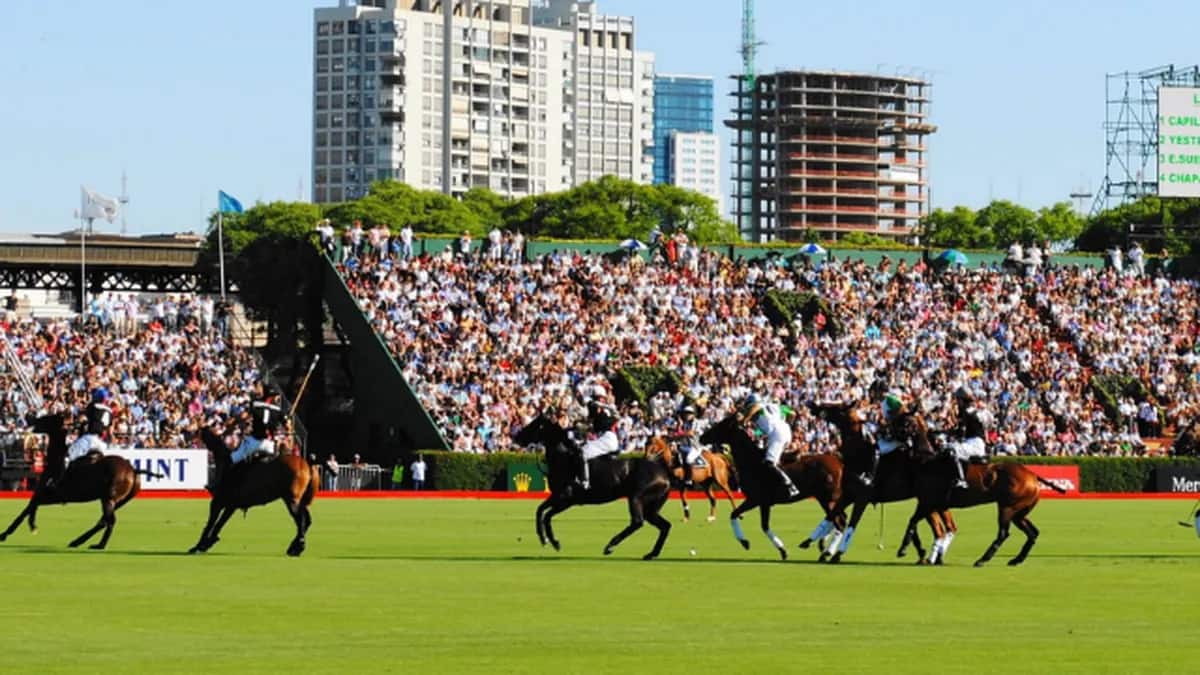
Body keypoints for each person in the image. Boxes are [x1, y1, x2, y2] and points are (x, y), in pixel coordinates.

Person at [738, 393, 799, 498]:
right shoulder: (776, 406)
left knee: (769, 463)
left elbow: (756, 407)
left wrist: (744, 420)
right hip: (784, 430)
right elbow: (793, 413)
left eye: (748, 407)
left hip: (777, 434)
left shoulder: (759, 406)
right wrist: (788, 424)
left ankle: (790, 486)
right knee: (769, 459)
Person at [945, 386, 991, 489]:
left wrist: (949, 433)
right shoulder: (973, 411)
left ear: (962, 400)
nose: (957, 402)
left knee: (951, 450)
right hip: (974, 442)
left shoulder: (967, 412)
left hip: (974, 443)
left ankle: (961, 480)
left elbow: (961, 432)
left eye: (958, 400)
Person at [861, 391, 908, 487]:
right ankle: (873, 475)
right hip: (887, 439)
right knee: (875, 451)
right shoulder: (880, 408)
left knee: (877, 451)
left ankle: (871, 477)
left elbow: (901, 409)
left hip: (895, 440)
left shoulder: (889, 403)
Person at [575, 398, 621, 491]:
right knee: (584, 449)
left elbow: (617, 415)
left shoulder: (603, 417)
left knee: (583, 453)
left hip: (607, 440)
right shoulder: (597, 418)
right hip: (608, 439)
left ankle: (585, 482)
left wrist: (602, 405)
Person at [229, 388, 284, 465]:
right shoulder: (277, 410)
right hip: (266, 442)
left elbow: (243, 416)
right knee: (279, 459)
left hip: (256, 441)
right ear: (272, 397)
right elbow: (287, 424)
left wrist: (233, 423)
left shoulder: (256, 403)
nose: (278, 399)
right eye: (277, 397)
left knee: (233, 458)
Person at [66, 388, 113, 467]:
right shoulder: (110, 411)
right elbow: (110, 431)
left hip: (89, 438)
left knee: (70, 455)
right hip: (102, 442)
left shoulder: (93, 406)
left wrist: (75, 424)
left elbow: (82, 418)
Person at [670, 404, 702, 487]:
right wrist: (679, 425)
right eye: (685, 413)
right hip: (684, 447)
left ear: (693, 414)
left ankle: (689, 479)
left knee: (688, 459)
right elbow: (676, 434)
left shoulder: (696, 422)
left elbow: (690, 433)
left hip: (695, 447)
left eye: (689, 413)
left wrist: (678, 434)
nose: (687, 415)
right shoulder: (683, 423)